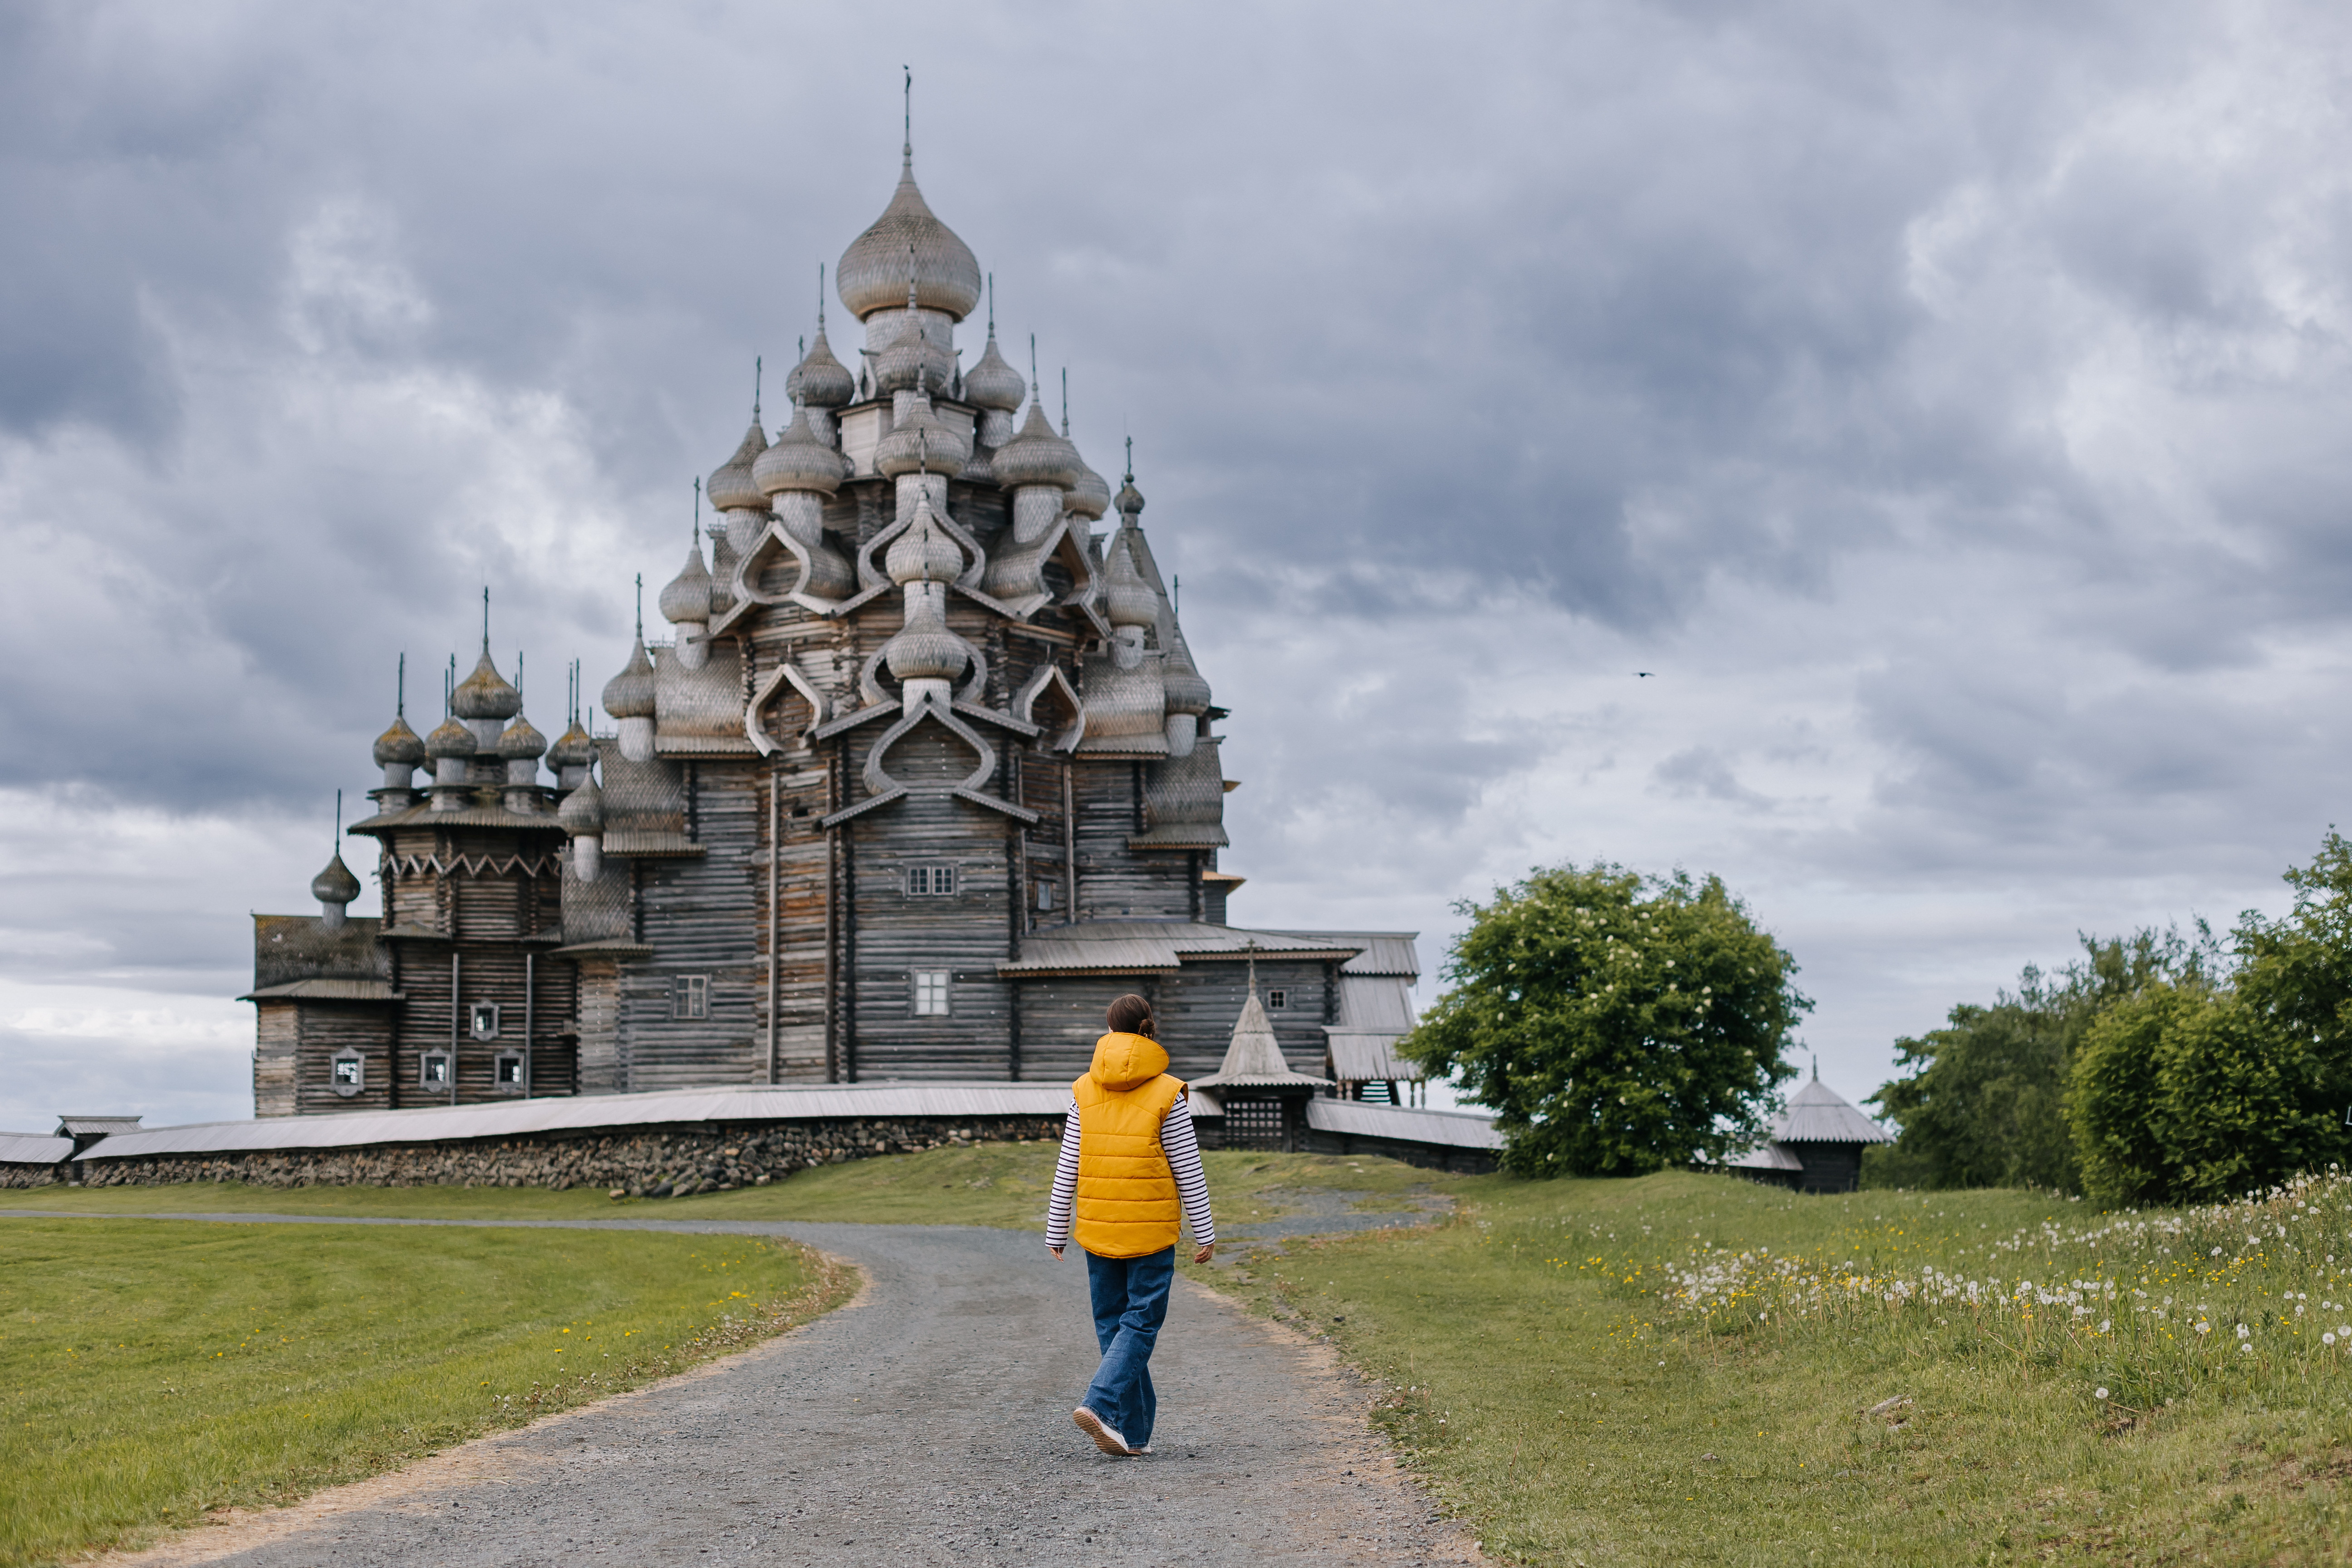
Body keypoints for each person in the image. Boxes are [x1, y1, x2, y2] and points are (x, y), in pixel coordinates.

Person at [1045, 993, 1215, 1458]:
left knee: (1112, 1323)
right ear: (1148, 1029)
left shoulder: (1083, 1088)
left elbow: (1068, 1163)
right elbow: (1187, 1167)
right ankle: (1100, 1403)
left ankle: (1130, 1431)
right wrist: (1205, 1230)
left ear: (1108, 1028)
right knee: (1139, 1322)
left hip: (1099, 1230)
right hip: (1151, 1231)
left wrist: (1056, 1227)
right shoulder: (1167, 1090)